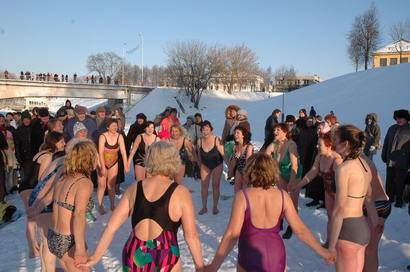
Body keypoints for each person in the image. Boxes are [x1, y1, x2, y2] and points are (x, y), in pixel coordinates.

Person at [80, 141, 204, 271]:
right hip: (165, 255)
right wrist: (199, 266)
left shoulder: (134, 188)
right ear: (174, 160)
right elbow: (191, 236)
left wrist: (96, 256)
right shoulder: (181, 192)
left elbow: (111, 226)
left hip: (134, 253)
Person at [205, 153, 334, 272]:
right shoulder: (283, 196)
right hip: (276, 254)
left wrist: (214, 266)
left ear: (249, 171)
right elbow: (300, 230)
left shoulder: (243, 196)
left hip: (250, 253)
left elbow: (232, 234)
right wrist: (323, 252)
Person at [328, 125, 378, 272]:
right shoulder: (364, 164)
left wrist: (330, 246)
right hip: (363, 227)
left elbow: (339, 210)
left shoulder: (344, 169)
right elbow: (369, 198)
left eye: (336, 140)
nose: (333, 144)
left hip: (347, 230)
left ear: (346, 144)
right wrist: (374, 225)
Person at [47, 140, 97, 271]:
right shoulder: (84, 183)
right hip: (68, 240)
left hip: (54, 236)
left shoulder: (64, 177)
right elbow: (79, 215)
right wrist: (80, 249)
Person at [291, 133, 343, 246]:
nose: (317, 146)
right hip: (328, 191)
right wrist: (299, 185)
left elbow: (344, 183)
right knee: (330, 217)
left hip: (340, 193)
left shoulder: (337, 160)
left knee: (339, 219)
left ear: (329, 145)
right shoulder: (320, 157)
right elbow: (312, 173)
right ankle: (330, 241)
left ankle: (339, 244)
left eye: (320, 145)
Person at [265, 123, 302, 239]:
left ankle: (292, 225)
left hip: (294, 174)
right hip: (281, 173)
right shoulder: (274, 144)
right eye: (274, 129)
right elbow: (265, 157)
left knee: (292, 201)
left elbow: (294, 166)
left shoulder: (291, 145)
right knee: (281, 199)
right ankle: (279, 223)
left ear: (285, 132)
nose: (275, 132)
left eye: (278, 130)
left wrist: (291, 182)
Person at [359, 155, 391, 272]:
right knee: (370, 250)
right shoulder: (360, 157)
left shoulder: (357, 161)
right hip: (380, 204)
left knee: (368, 249)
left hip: (375, 205)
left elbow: (367, 196)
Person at [97, 119, 128, 213]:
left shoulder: (119, 136)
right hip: (101, 161)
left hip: (114, 162)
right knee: (102, 185)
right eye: (113, 126)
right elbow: (101, 153)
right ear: (107, 127)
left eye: (116, 126)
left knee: (111, 185)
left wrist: (126, 164)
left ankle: (112, 204)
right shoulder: (103, 136)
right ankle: (100, 206)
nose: (115, 127)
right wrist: (102, 166)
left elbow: (123, 152)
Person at [381, 109, 410, 208]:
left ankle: (399, 200)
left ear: (406, 119)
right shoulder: (392, 128)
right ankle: (389, 198)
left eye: (401, 118)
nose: (398, 120)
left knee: (400, 182)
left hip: (403, 161)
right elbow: (386, 143)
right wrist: (384, 154)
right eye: (397, 118)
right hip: (390, 160)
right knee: (389, 181)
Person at [197, 121, 224, 215]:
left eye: (207, 129)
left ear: (211, 130)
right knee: (204, 186)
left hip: (217, 164)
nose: (205, 131)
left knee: (215, 185)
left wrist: (231, 166)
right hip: (205, 164)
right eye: (203, 129)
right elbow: (199, 155)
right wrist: (200, 165)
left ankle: (215, 206)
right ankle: (204, 207)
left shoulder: (216, 139)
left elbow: (223, 154)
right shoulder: (199, 141)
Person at [228, 126, 253, 192]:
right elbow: (233, 162)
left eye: (237, 133)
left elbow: (248, 162)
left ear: (243, 135)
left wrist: (245, 176)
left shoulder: (249, 146)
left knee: (245, 192)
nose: (235, 135)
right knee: (236, 191)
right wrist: (230, 173)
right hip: (239, 169)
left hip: (248, 170)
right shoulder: (235, 146)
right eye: (234, 133)